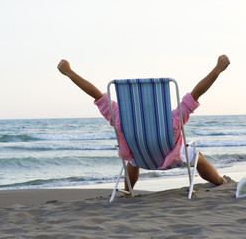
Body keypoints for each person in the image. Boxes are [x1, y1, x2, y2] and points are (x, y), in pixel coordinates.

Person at [58, 55, 231, 192]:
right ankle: (221, 181)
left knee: (131, 158)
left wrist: (70, 73)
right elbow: (196, 94)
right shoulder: (173, 119)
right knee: (197, 156)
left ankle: (128, 191)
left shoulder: (120, 116)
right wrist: (217, 70)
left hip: (141, 159)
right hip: (172, 159)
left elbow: (96, 95)